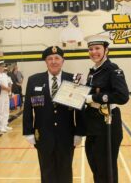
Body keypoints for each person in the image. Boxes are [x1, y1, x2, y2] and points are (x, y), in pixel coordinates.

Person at [23, 46, 85, 183]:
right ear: (46, 61)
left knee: (65, 171)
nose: (53, 61)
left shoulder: (73, 79)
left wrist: (79, 132)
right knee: (46, 172)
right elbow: (28, 107)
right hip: (43, 135)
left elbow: (79, 108)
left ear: (63, 61)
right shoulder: (34, 80)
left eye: (57, 58)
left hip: (67, 135)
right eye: (50, 58)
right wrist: (28, 132)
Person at [83, 35, 129, 183]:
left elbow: (122, 96)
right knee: (95, 164)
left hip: (107, 122)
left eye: (97, 48)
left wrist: (95, 98)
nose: (93, 52)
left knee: (106, 168)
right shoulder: (94, 70)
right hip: (93, 123)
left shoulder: (112, 69)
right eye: (90, 49)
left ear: (106, 50)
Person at [0, 61, 13, 132]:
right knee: (1, 111)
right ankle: (0, 126)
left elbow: (9, 82)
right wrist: (7, 88)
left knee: (6, 110)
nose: (3, 67)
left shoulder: (4, 75)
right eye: (2, 66)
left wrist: (10, 90)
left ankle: (5, 125)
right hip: (0, 94)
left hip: (6, 94)